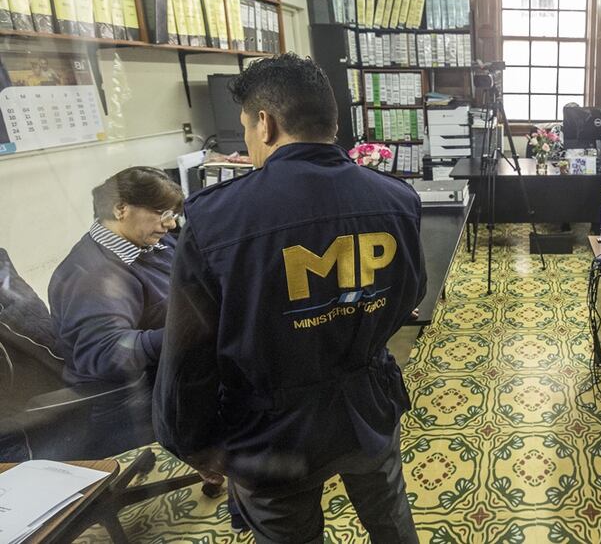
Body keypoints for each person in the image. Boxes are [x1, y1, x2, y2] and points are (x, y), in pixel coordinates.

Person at [154, 53, 426, 543]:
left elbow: (189, 355)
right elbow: (410, 293)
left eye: (245, 127)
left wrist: (191, 442)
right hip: (368, 407)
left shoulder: (217, 221)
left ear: (266, 122)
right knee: (391, 521)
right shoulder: (396, 198)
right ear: (334, 121)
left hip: (271, 432)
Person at [48, 166, 183, 456]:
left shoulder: (149, 243)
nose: (170, 225)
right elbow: (106, 352)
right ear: (121, 209)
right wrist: (187, 331)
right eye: (162, 214)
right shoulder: (92, 275)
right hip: (128, 406)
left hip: (164, 381)